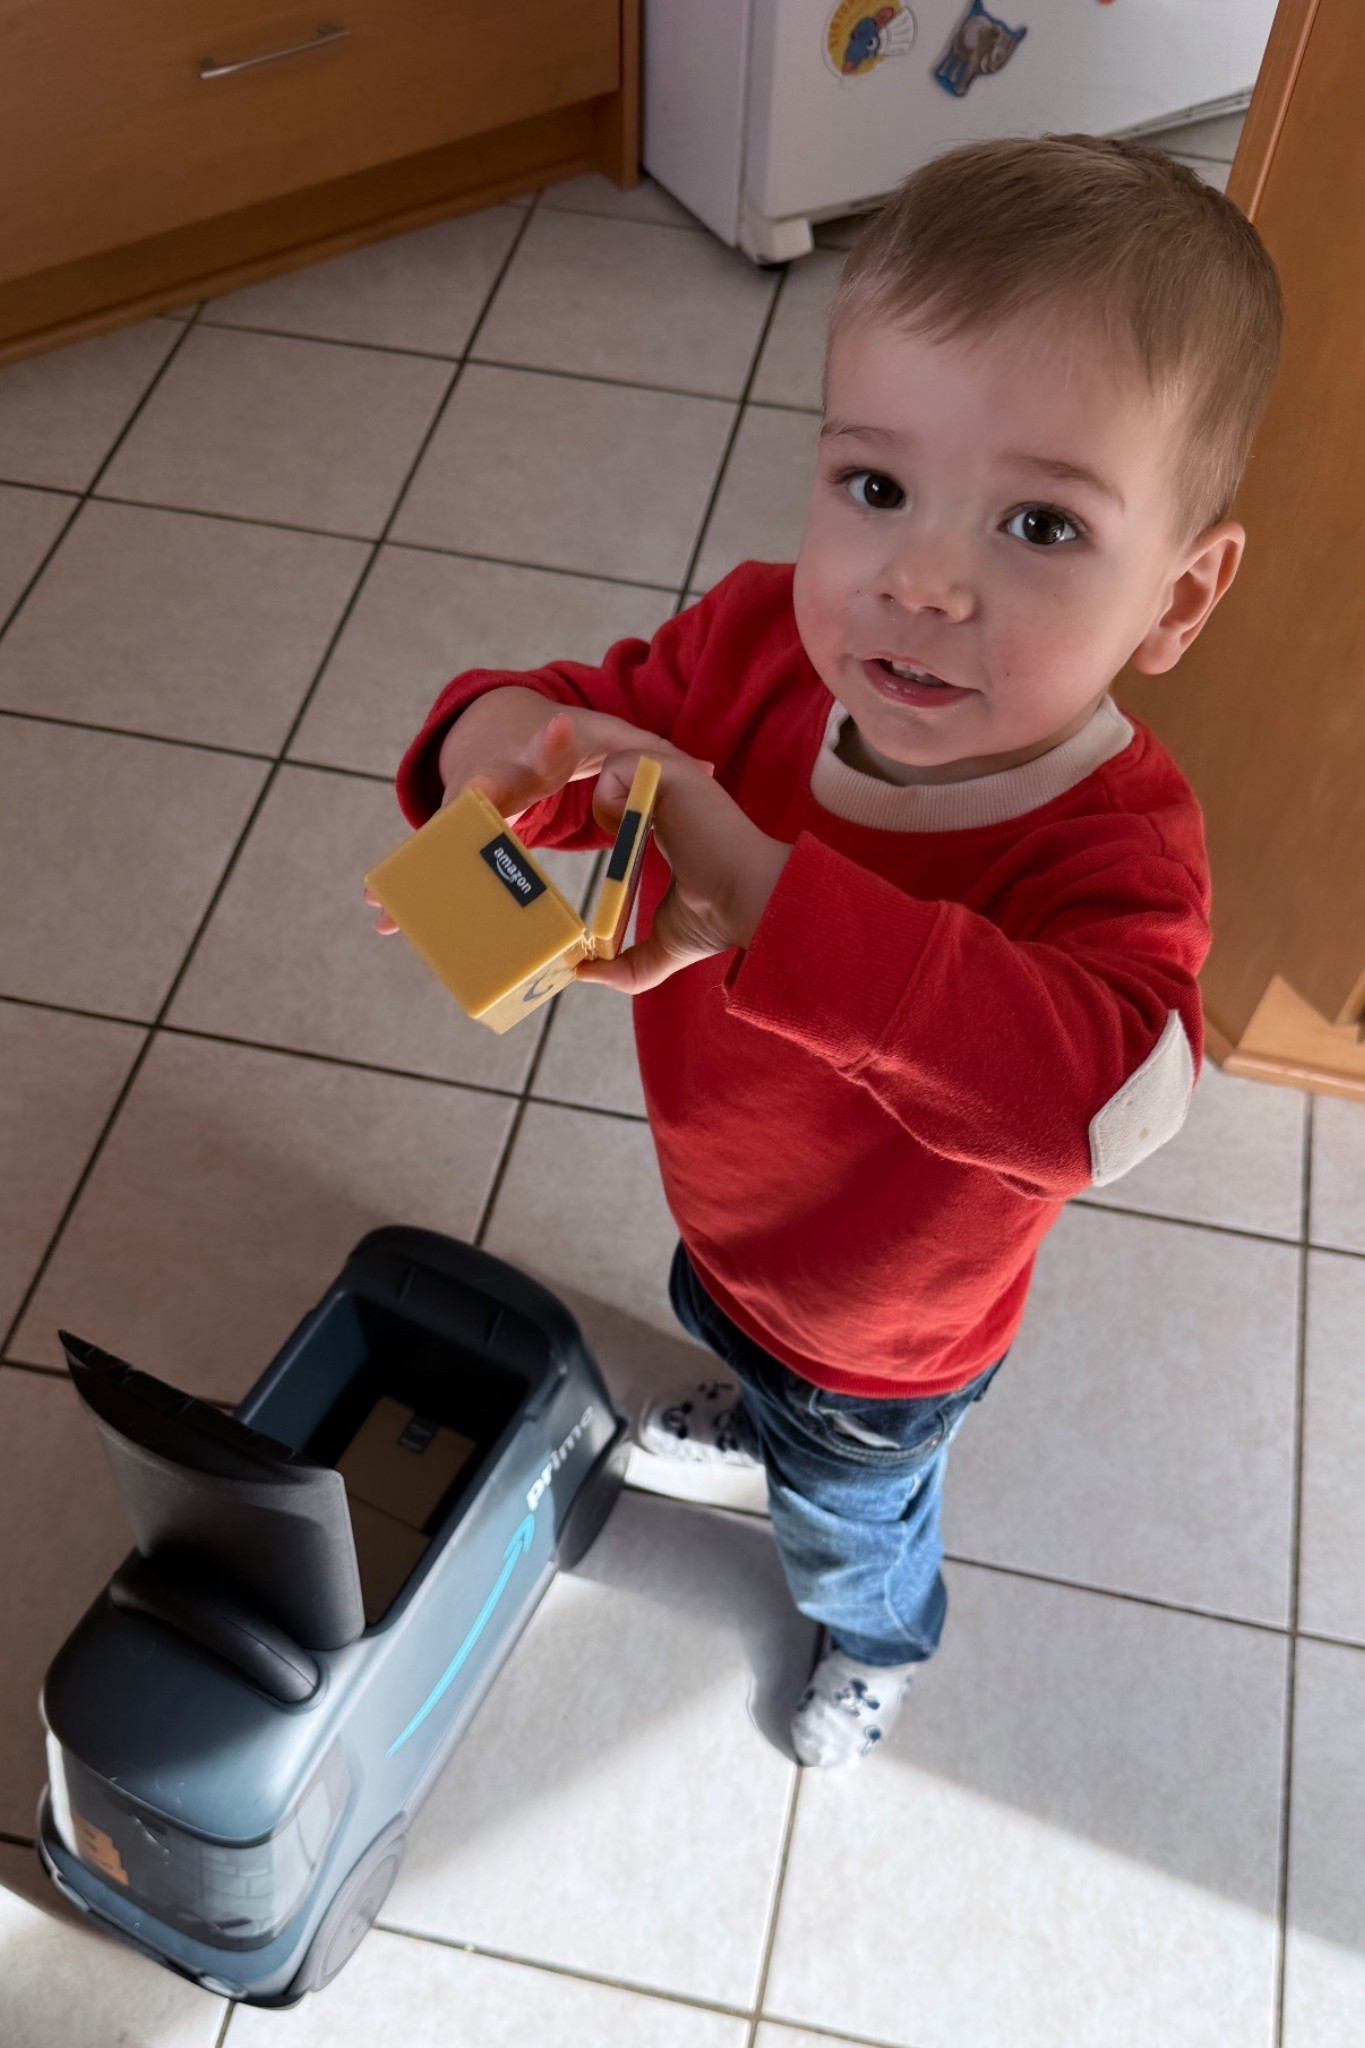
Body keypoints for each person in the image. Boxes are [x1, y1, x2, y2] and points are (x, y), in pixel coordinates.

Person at [370, 137, 1283, 1769]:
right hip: (729, 1215)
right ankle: (748, 1396)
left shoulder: (1109, 848)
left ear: (1180, 595)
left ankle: (878, 1637)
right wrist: (495, 758)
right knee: (718, 1320)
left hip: (890, 1337)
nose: (921, 582)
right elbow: (573, 710)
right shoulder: (753, 644)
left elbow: (1105, 1099)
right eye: (875, 488)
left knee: (848, 1516)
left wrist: (765, 889)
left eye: (1040, 527)